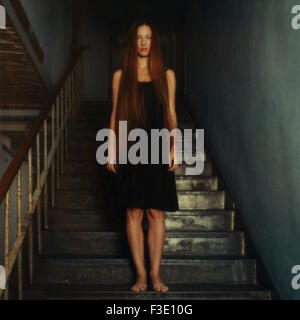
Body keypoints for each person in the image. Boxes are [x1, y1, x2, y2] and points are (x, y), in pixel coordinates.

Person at [106, 19, 179, 292]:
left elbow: (171, 113)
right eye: (139, 37)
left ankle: (156, 275)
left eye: (148, 37)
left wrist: (174, 147)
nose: (144, 42)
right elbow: (114, 115)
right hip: (130, 149)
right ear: (132, 42)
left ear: (154, 42)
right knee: (134, 212)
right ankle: (140, 275)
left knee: (156, 212)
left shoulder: (166, 75)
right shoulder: (120, 76)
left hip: (158, 147)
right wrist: (111, 149)